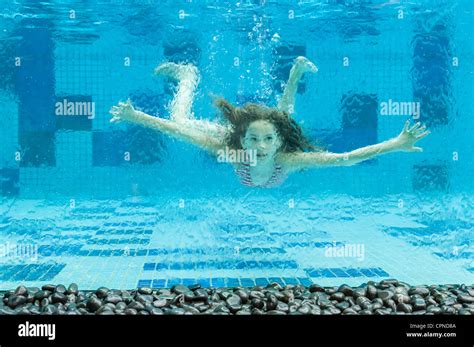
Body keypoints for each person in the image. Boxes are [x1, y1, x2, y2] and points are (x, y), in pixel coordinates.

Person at [109, 56, 430, 188]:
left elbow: (345, 160)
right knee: (180, 118)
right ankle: (187, 75)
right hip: (229, 137)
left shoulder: (288, 156)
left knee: (283, 117)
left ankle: (295, 73)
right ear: (243, 139)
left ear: (278, 143)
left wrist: (397, 144)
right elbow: (175, 130)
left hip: (275, 134)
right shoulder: (234, 149)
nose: (260, 147)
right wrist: (136, 116)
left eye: (267, 140)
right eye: (253, 139)